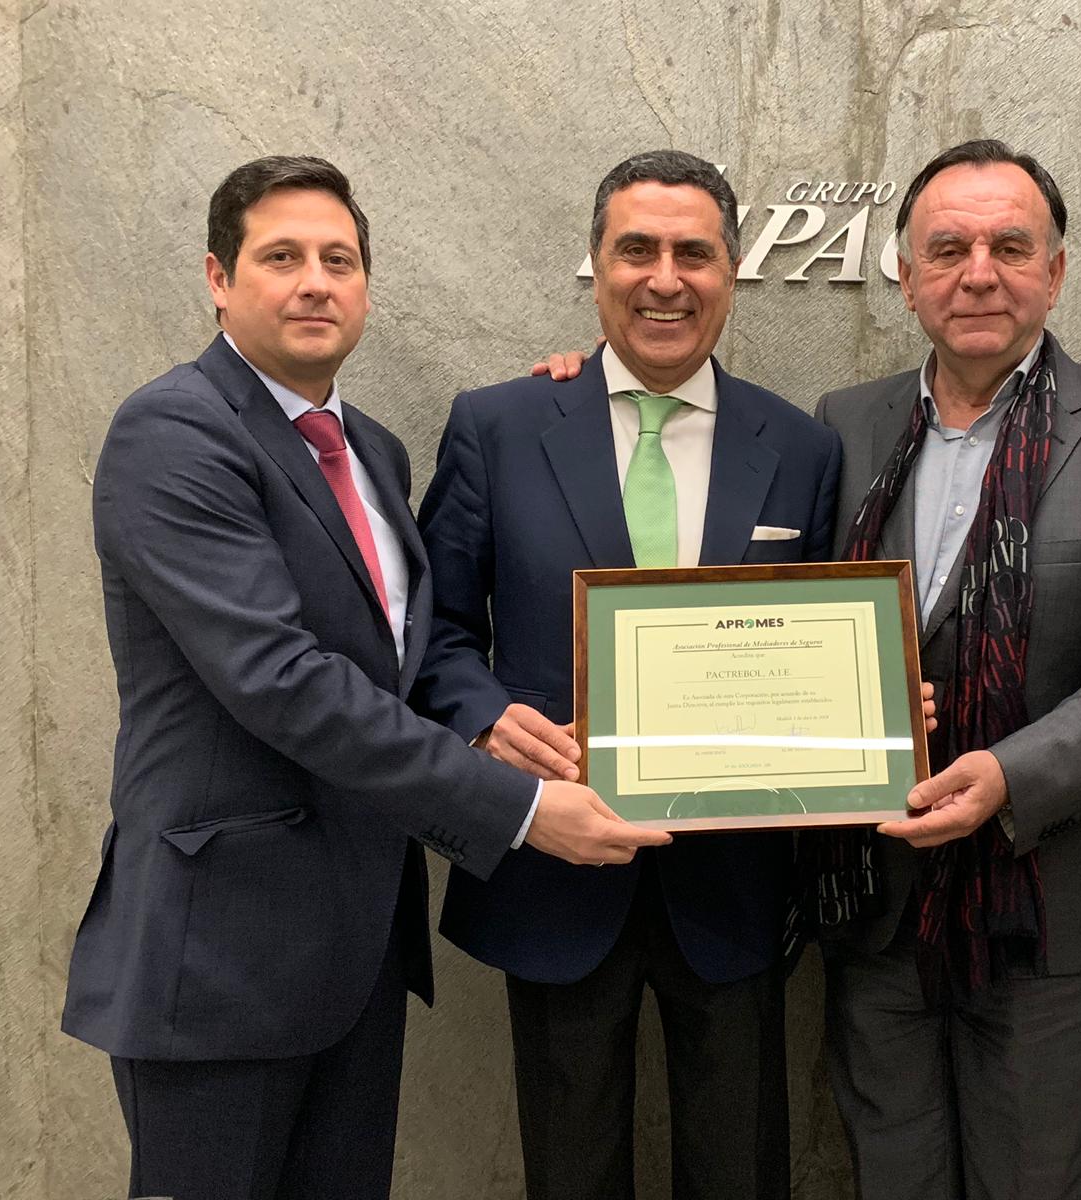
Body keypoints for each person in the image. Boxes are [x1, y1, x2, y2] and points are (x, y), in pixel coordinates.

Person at [60, 155, 662, 1200]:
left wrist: (568, 410)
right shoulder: (174, 431)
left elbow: (405, 659)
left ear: (368, 288)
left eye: (339, 260)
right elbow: (281, 679)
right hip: (221, 953)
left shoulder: (371, 450)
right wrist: (521, 808)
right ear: (218, 279)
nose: (315, 283)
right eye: (281, 258)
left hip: (356, 954)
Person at [413, 149, 842, 1200]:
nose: (664, 278)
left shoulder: (801, 448)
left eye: (693, 253)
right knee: (569, 1171)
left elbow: (826, 644)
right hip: (555, 868)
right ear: (595, 266)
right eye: (636, 249)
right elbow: (434, 632)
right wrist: (485, 718)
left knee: (741, 1170)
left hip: (736, 882)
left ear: (731, 272)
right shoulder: (499, 427)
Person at [809, 139, 1081, 1200]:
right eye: (948, 249)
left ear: (1056, 270)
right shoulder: (844, 425)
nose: (979, 273)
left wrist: (1012, 775)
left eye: (1010, 245)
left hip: (1046, 908)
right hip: (876, 904)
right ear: (907, 276)